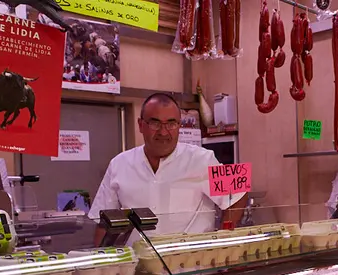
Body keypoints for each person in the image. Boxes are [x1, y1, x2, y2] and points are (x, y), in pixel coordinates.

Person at [88, 93, 247, 245]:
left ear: (179, 125)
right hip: (136, 267)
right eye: (155, 123)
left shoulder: (203, 159)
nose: (163, 132)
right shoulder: (119, 164)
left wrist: (222, 240)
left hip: (190, 267)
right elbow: (104, 222)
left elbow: (238, 195)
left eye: (171, 123)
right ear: (140, 125)